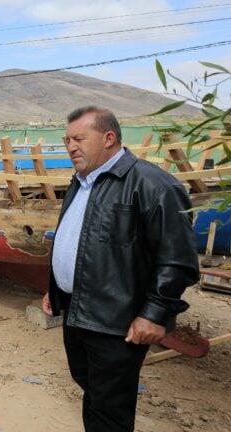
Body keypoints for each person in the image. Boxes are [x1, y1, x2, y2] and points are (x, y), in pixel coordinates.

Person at [42, 106, 199, 432]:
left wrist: (155, 313)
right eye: (67, 139)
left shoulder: (154, 185)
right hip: (77, 310)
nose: (70, 146)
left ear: (109, 138)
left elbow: (178, 260)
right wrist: (55, 288)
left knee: (109, 407)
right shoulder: (81, 182)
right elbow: (76, 242)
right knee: (92, 389)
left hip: (118, 320)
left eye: (79, 138)